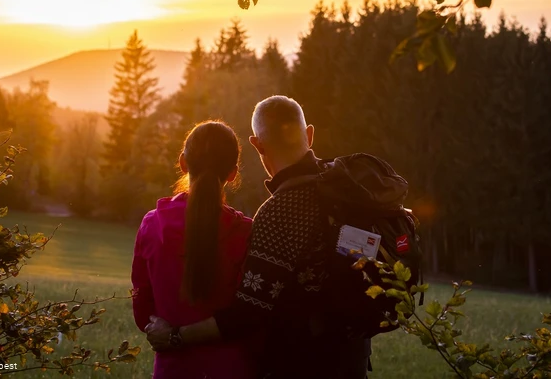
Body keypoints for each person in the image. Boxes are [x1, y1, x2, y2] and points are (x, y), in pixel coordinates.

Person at [145, 96, 374, 379]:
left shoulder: (279, 212)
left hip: (302, 362)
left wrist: (175, 337)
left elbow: (248, 313)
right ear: (310, 135)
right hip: (354, 358)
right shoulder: (346, 190)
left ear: (257, 144)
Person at [130, 120, 256, 379]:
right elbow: (248, 316)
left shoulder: (152, 225)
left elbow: (143, 310)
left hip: (172, 370)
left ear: (183, 162)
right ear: (233, 173)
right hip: (230, 370)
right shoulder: (246, 233)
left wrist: (165, 330)